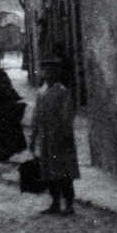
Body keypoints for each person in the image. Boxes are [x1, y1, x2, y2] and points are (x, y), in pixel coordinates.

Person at [29, 58, 79, 215]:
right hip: (46, 138)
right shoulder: (41, 92)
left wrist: (64, 134)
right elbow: (36, 116)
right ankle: (55, 202)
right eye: (45, 71)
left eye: (52, 71)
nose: (48, 74)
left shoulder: (63, 92)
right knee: (49, 172)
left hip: (60, 138)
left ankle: (69, 204)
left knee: (64, 172)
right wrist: (33, 137)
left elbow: (67, 116)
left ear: (57, 74)